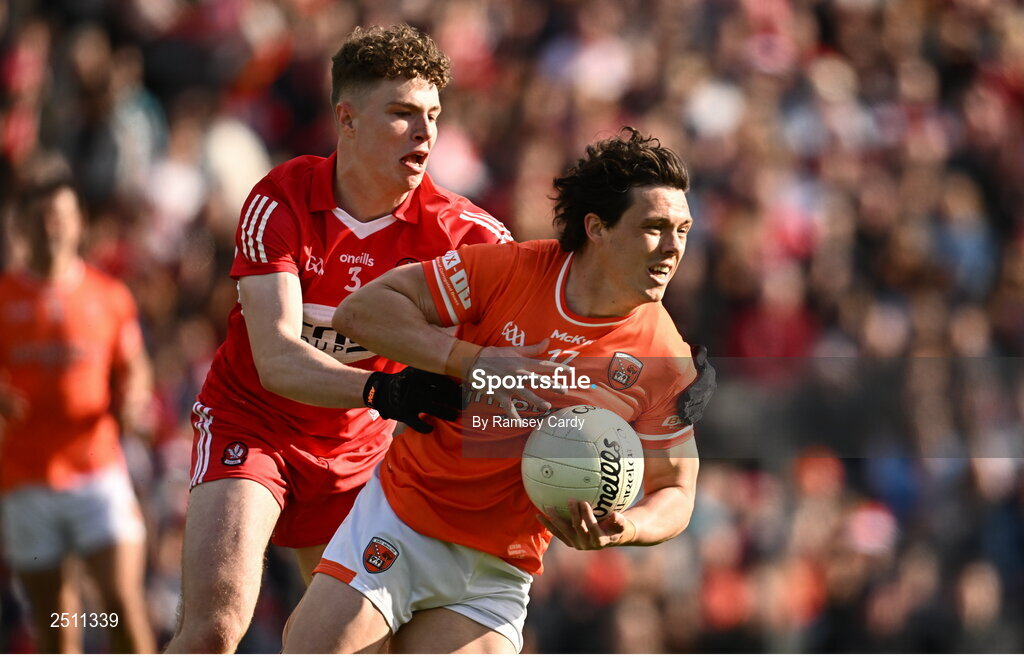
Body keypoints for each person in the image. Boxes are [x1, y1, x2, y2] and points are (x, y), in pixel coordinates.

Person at [283, 128, 704, 653]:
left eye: (683, 230)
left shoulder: (666, 358)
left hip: (495, 571)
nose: (673, 248)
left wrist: (627, 528)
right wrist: (473, 360)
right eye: (655, 228)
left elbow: (678, 489)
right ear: (597, 227)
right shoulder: (512, 269)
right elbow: (361, 311)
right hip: (400, 520)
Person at [165, 24, 514, 653]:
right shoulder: (281, 199)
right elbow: (276, 359)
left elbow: (546, 317)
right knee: (215, 628)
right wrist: (387, 389)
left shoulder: (467, 234)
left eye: (433, 115)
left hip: (358, 453)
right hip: (254, 423)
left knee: (353, 649)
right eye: (403, 113)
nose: (425, 133)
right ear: (346, 120)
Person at [0, 171, 156, 653]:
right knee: (56, 629)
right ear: (21, 225)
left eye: (62, 216)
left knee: (118, 602)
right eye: (41, 217)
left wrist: (135, 399)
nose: (52, 227)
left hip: (96, 470)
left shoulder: (109, 297)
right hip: (25, 479)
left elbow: (136, 369)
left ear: (79, 224)